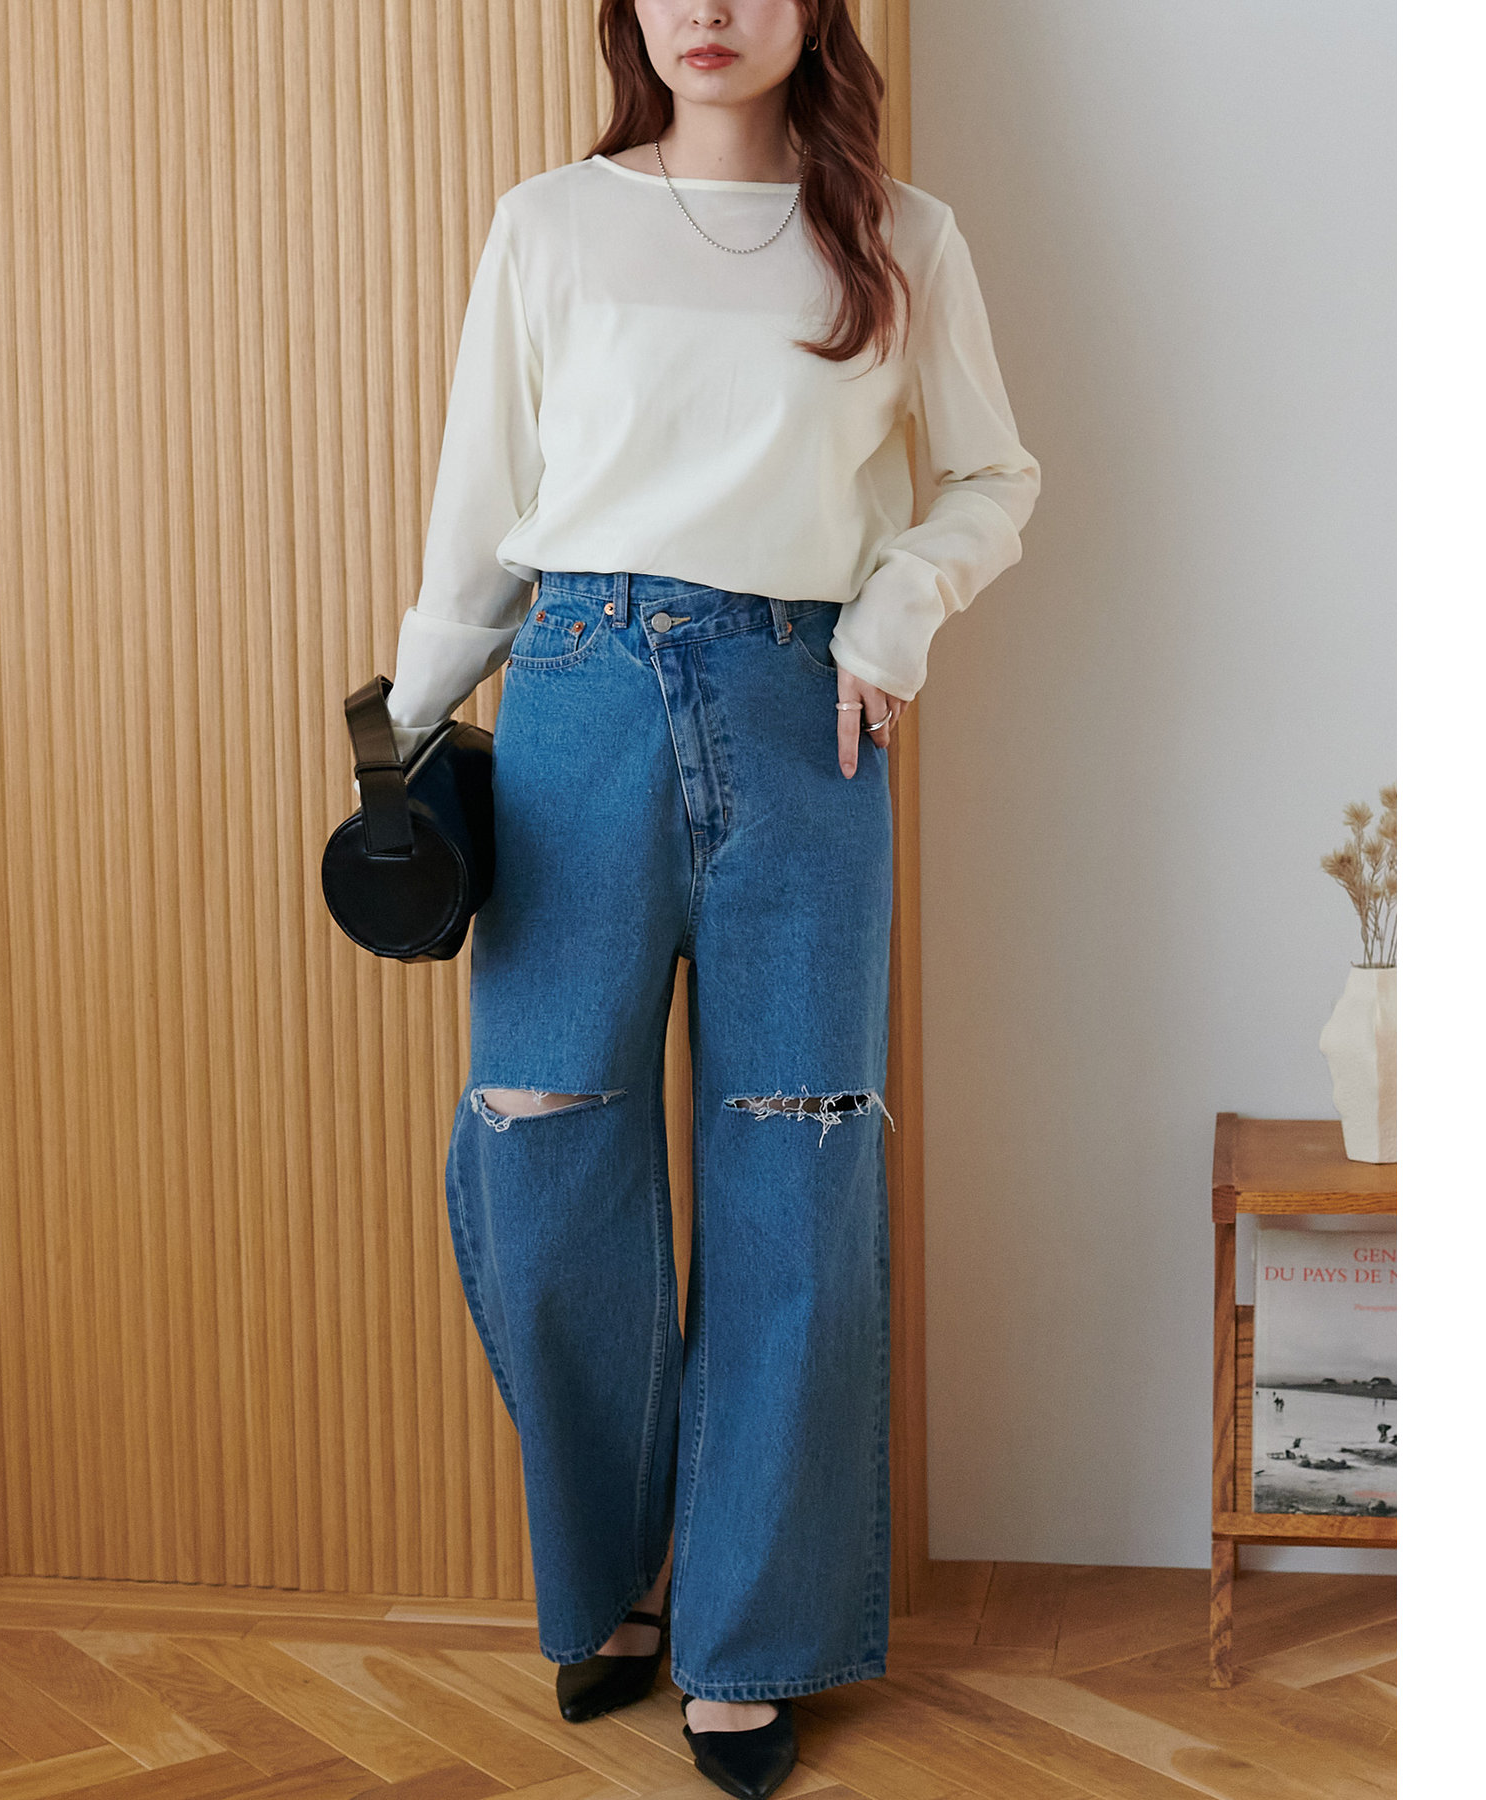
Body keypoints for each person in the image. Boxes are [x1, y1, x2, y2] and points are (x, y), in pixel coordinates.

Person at [382, 5, 1037, 1794]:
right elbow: (479, 515)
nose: (711, 10)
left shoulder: (901, 234)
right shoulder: (549, 224)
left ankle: (749, 1635)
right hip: (574, 701)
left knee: (794, 1164)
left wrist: (893, 614)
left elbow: (996, 475)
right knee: (540, 1146)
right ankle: (624, 1568)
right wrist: (399, 747)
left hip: (805, 710)